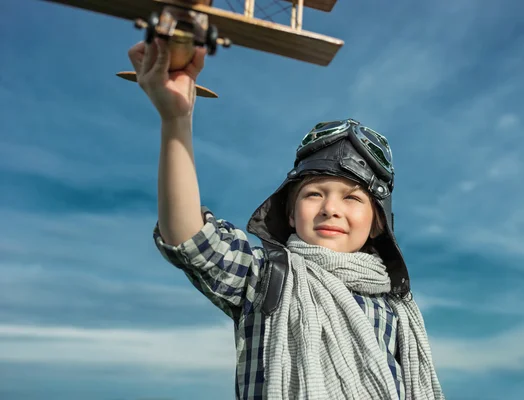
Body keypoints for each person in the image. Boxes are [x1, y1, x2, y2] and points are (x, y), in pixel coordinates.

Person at [128, 37, 445, 400]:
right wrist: (176, 119)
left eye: (353, 198)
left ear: (377, 223)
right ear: (291, 215)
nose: (331, 208)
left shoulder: (396, 308)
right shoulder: (265, 276)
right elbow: (190, 238)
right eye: (314, 194)